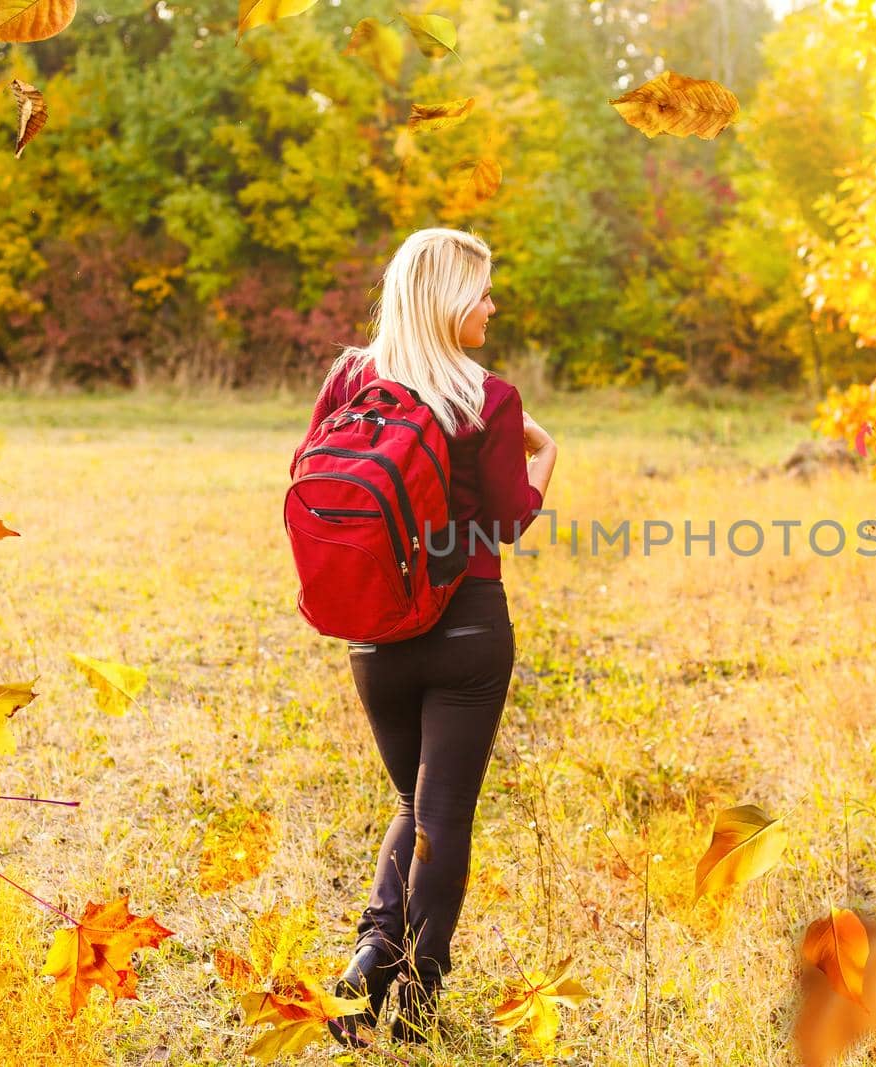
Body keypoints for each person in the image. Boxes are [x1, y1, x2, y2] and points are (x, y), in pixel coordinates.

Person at [292, 228, 558, 1048]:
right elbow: (513, 519)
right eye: (482, 289)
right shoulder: (491, 397)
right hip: (467, 624)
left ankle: (371, 953)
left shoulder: (347, 378)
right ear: (447, 299)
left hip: (373, 631)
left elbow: (316, 478)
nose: (492, 303)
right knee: (442, 810)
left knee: (413, 801)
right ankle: (414, 998)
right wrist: (549, 451)